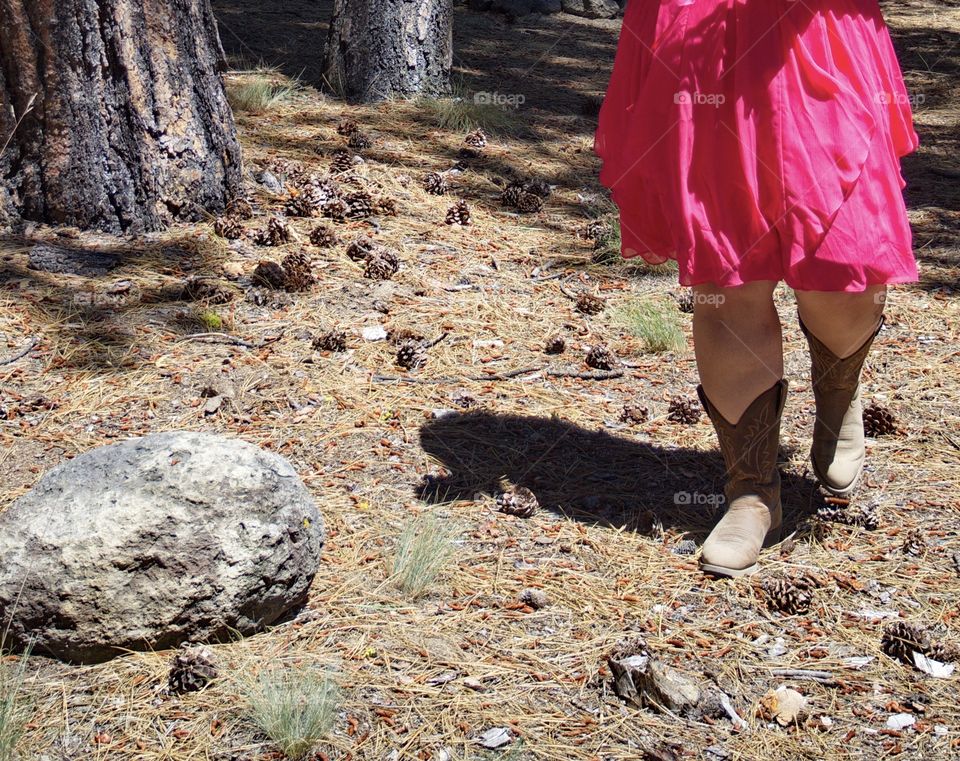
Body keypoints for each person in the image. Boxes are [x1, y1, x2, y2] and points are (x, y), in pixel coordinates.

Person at [594, 0, 918, 577]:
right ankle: (751, 491)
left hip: (819, 30)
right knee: (727, 275)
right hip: (702, 35)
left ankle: (838, 393)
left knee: (844, 262)